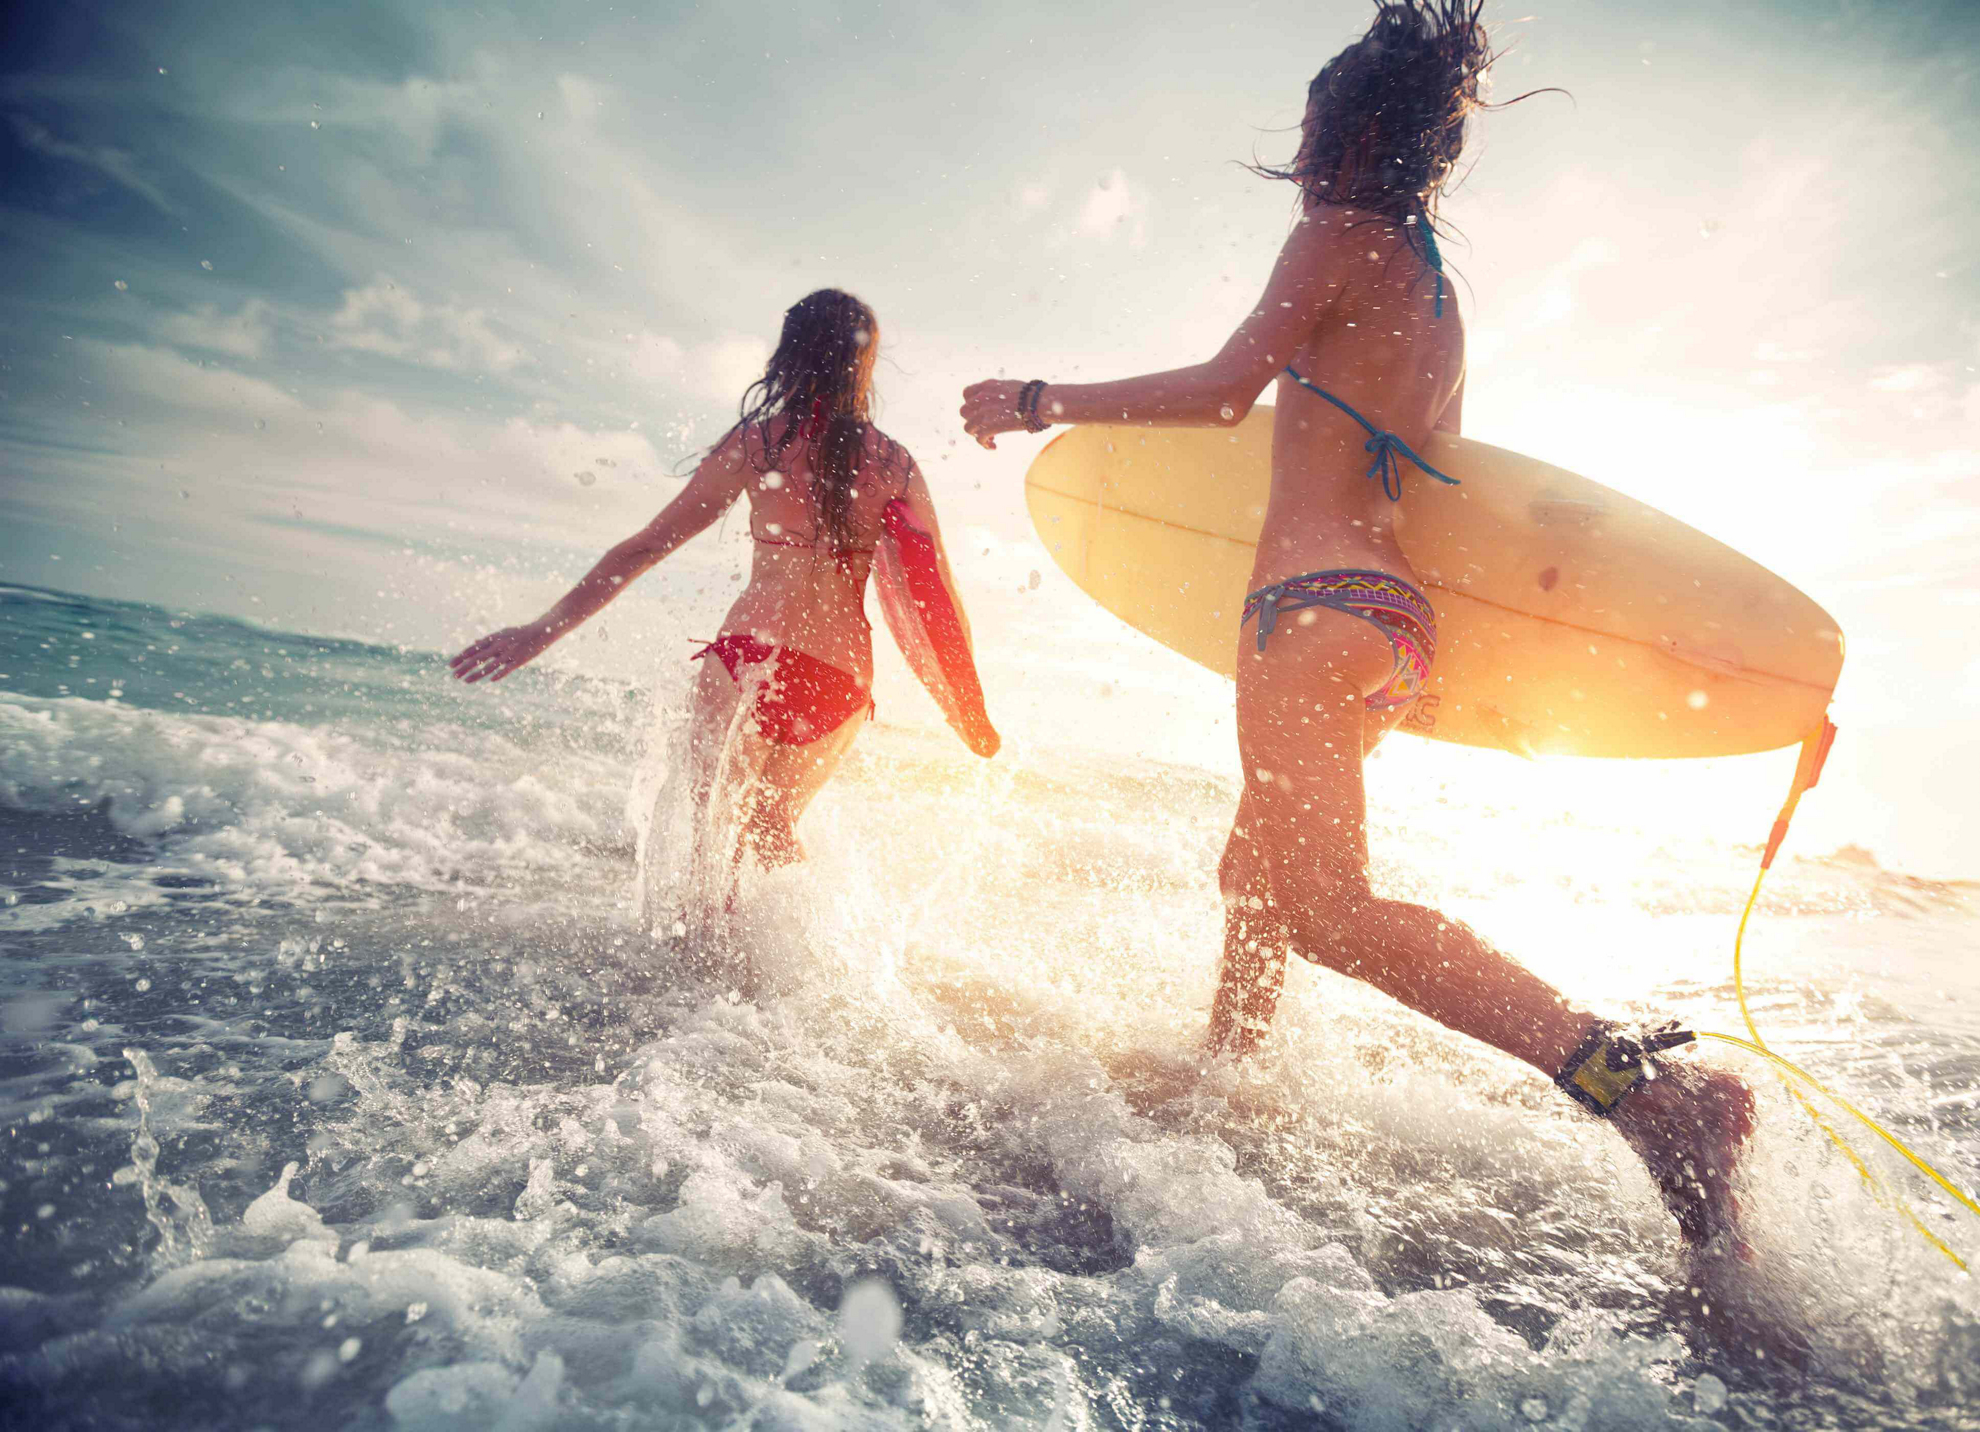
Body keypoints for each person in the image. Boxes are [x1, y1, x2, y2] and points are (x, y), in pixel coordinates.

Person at [959, 1, 1755, 1258]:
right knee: (1255, 879)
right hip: (1391, 628)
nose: (1309, 151)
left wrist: (1034, 397)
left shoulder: (1333, 234)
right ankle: (1229, 1084)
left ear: (1350, 134)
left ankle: (1647, 1095)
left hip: (1308, 610)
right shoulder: (1436, 291)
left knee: (1328, 907)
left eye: (1319, 127)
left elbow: (1227, 393)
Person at [456, 288, 997, 934]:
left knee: (712, 847)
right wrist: (968, 707)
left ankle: (695, 1006)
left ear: (790, 356)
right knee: (773, 834)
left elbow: (646, 547)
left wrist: (541, 631)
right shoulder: (893, 464)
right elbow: (933, 592)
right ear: (864, 366)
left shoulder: (761, 444)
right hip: (841, 680)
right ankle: (786, 987)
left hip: (750, 659)